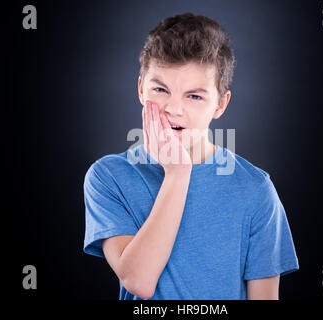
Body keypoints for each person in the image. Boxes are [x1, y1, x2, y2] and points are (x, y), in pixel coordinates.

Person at [83, 12, 299, 300]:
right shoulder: (109, 175)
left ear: (220, 105)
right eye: (160, 89)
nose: (173, 109)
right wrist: (177, 171)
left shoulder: (255, 190)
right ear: (140, 89)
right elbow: (139, 281)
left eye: (194, 96)